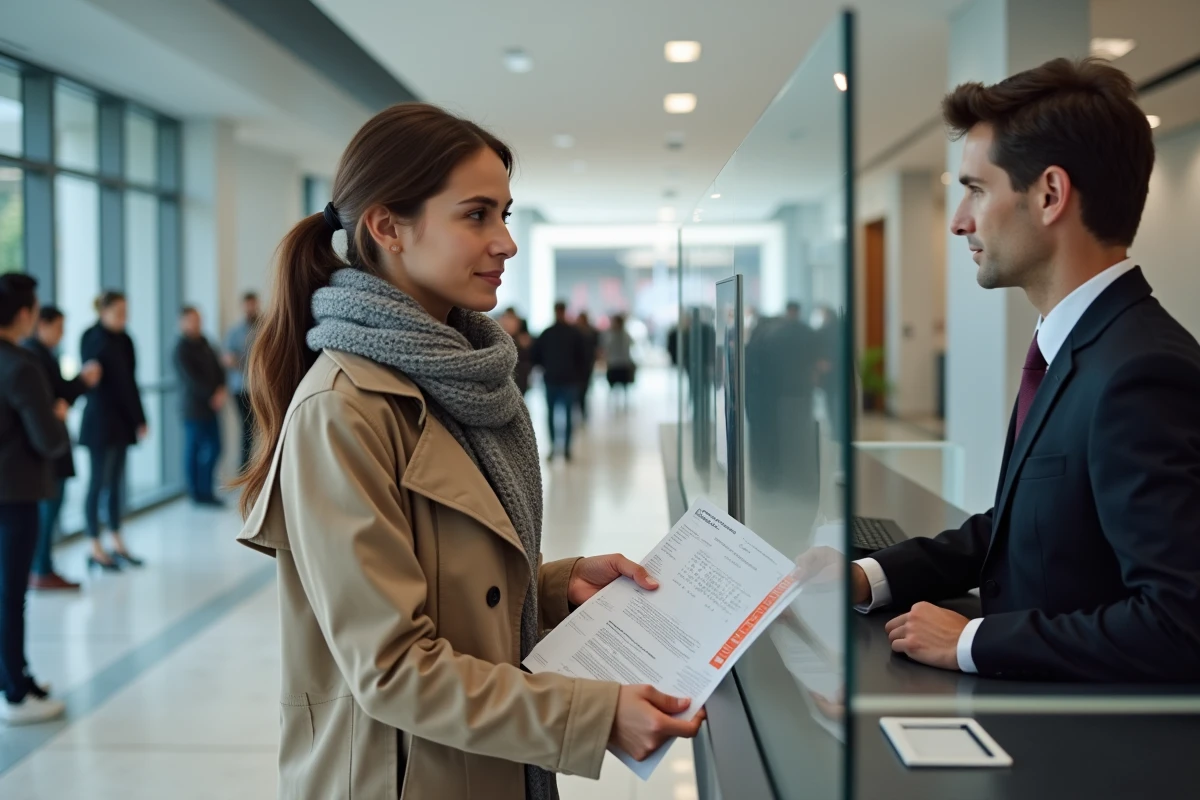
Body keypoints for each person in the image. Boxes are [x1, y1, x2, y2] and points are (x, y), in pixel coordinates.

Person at [233, 103, 703, 800]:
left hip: (479, 760)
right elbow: (391, 668)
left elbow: (446, 581)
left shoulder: (465, 374)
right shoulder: (344, 409)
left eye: (506, 214)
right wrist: (594, 715)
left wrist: (555, 587)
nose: (505, 242)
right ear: (388, 227)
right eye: (476, 215)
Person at [836, 58, 1200, 682]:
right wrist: (869, 575)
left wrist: (974, 641)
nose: (958, 221)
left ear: (1050, 195)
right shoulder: (1080, 343)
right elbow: (1025, 527)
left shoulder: (1141, 372)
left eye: (976, 189)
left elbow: (1180, 623)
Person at [0, 273, 69, 724]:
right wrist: (57, 416)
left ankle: (16, 676)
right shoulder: (20, 365)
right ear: (24, 314)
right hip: (15, 494)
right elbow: (47, 439)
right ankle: (16, 691)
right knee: (11, 594)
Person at [22, 306, 102, 590]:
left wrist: (80, 383)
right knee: (48, 508)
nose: (61, 334)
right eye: (58, 328)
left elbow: (60, 394)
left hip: (54, 443)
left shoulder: (44, 355)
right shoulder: (30, 355)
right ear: (40, 324)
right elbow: (46, 400)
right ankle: (41, 567)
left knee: (53, 507)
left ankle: (43, 565)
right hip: (44, 448)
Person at [80, 292, 146, 572]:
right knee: (98, 482)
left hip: (121, 422)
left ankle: (116, 539)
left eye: (125, 311)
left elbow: (130, 382)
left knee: (116, 483)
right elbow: (99, 380)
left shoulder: (125, 339)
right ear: (103, 311)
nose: (124, 317)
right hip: (100, 422)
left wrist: (139, 418)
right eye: (118, 312)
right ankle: (94, 544)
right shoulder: (92, 337)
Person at [175, 307, 227, 507]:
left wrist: (221, 390)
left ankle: (206, 490)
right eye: (191, 320)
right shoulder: (181, 348)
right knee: (193, 450)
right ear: (183, 323)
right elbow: (190, 380)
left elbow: (219, 367)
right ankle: (196, 494)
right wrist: (211, 394)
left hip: (212, 407)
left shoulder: (206, 342)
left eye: (198, 319)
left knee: (216, 447)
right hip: (193, 408)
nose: (196, 323)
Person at [532, 301, 588, 461]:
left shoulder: (547, 333)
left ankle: (555, 448)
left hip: (553, 379)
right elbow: (582, 357)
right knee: (567, 415)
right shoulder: (573, 333)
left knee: (552, 415)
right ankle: (565, 449)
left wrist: (546, 367)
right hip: (567, 380)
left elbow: (536, 355)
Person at [223, 292, 259, 471]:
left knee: (256, 428)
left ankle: (255, 465)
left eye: (253, 304)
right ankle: (244, 467)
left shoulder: (263, 328)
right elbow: (228, 359)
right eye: (248, 305)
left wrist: (243, 360)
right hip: (240, 387)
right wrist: (246, 362)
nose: (251, 308)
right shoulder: (234, 332)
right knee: (245, 427)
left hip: (258, 388)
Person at [601, 314, 636, 408]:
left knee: (624, 387)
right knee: (612, 386)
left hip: (623, 364)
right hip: (613, 364)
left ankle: (624, 403)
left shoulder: (624, 334)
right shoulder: (611, 334)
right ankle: (613, 403)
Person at [575, 311, 599, 422]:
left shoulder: (591, 332)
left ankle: (582, 409)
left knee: (583, 388)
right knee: (579, 389)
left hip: (586, 365)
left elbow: (596, 348)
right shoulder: (574, 331)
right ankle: (580, 409)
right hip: (577, 365)